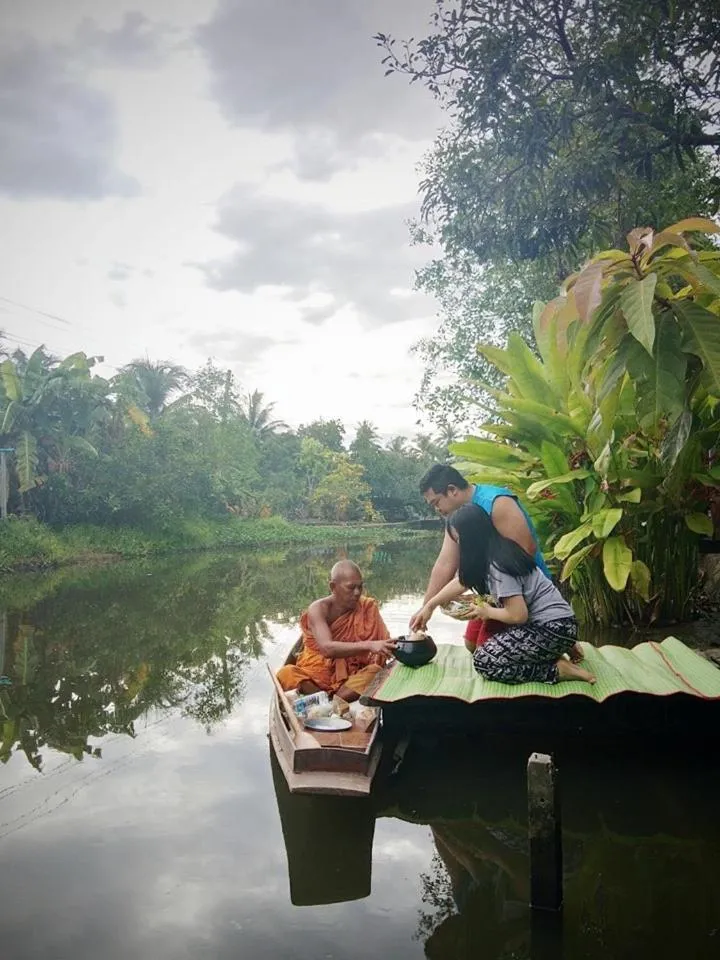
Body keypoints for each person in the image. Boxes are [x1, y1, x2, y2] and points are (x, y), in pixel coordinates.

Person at [413, 503, 595, 685]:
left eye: (460, 540)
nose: (459, 546)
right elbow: (462, 581)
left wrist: (487, 612)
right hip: (559, 624)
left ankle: (556, 670)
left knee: (484, 662)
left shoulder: (498, 567)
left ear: (472, 539)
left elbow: (518, 615)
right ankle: (563, 647)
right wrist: (430, 605)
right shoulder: (498, 550)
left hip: (551, 628)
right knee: (483, 645)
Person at [410, 464, 550, 634]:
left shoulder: (497, 503)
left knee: (486, 648)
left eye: (436, 502)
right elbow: (445, 564)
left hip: (526, 594)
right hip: (494, 594)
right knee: (471, 641)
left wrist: (475, 575)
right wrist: (425, 609)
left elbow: (525, 550)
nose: (437, 510)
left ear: (452, 490)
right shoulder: (455, 516)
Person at [276, 560, 396, 702]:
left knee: (375, 672)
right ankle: (328, 701)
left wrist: (404, 644)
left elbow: (385, 644)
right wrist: (369, 645)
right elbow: (327, 649)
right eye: (351, 588)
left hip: (350, 679)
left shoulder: (367, 607)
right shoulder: (318, 609)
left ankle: (330, 702)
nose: (357, 593)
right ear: (333, 587)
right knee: (286, 673)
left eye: (360, 587)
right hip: (315, 676)